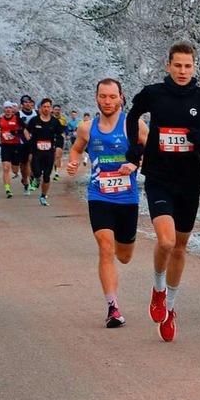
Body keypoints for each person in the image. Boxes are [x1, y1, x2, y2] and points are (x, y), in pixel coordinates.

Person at [125, 41, 200, 342]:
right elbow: (132, 116)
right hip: (159, 176)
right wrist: (135, 147)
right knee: (167, 240)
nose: (183, 71)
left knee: (181, 247)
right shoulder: (153, 94)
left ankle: (170, 308)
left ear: (193, 67)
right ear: (168, 66)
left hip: (188, 180)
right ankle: (158, 288)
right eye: (178, 65)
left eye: (188, 66)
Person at [67, 78, 148, 328]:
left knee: (123, 255)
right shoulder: (86, 127)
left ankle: (122, 251)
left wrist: (135, 163)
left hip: (127, 197)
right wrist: (72, 161)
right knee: (105, 248)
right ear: (96, 98)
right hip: (99, 195)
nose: (108, 101)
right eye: (103, 96)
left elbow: (150, 151)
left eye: (112, 97)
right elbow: (77, 148)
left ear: (121, 98)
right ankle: (113, 307)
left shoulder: (134, 126)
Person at [27, 98, 64, 206]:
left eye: (48, 107)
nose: (47, 109)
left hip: (49, 152)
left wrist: (59, 148)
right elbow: (26, 130)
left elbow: (60, 136)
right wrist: (29, 142)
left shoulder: (55, 122)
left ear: (51, 109)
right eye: (44, 107)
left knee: (47, 175)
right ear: (40, 108)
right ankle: (36, 178)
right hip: (36, 151)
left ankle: (43, 196)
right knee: (37, 172)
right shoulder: (34, 120)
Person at [0, 101, 26, 198]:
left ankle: (18, 174)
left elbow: (25, 129)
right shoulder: (0, 120)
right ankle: (7, 189)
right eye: (6, 108)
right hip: (5, 146)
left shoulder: (17, 119)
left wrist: (16, 132)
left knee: (15, 169)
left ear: (12, 109)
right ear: (4, 109)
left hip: (16, 146)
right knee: (6, 168)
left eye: (9, 108)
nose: (8, 110)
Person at [18, 95, 37, 194]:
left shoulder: (36, 113)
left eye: (29, 102)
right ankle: (25, 181)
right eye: (25, 102)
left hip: (34, 141)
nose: (28, 104)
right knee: (23, 164)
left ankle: (31, 177)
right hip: (21, 142)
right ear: (22, 104)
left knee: (32, 159)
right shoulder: (18, 114)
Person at [51, 104, 68, 181]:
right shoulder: (49, 118)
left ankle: (56, 173)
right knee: (52, 156)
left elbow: (66, 129)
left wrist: (66, 135)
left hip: (59, 138)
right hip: (50, 138)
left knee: (58, 155)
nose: (57, 111)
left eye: (58, 109)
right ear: (53, 110)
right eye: (56, 109)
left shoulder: (63, 119)